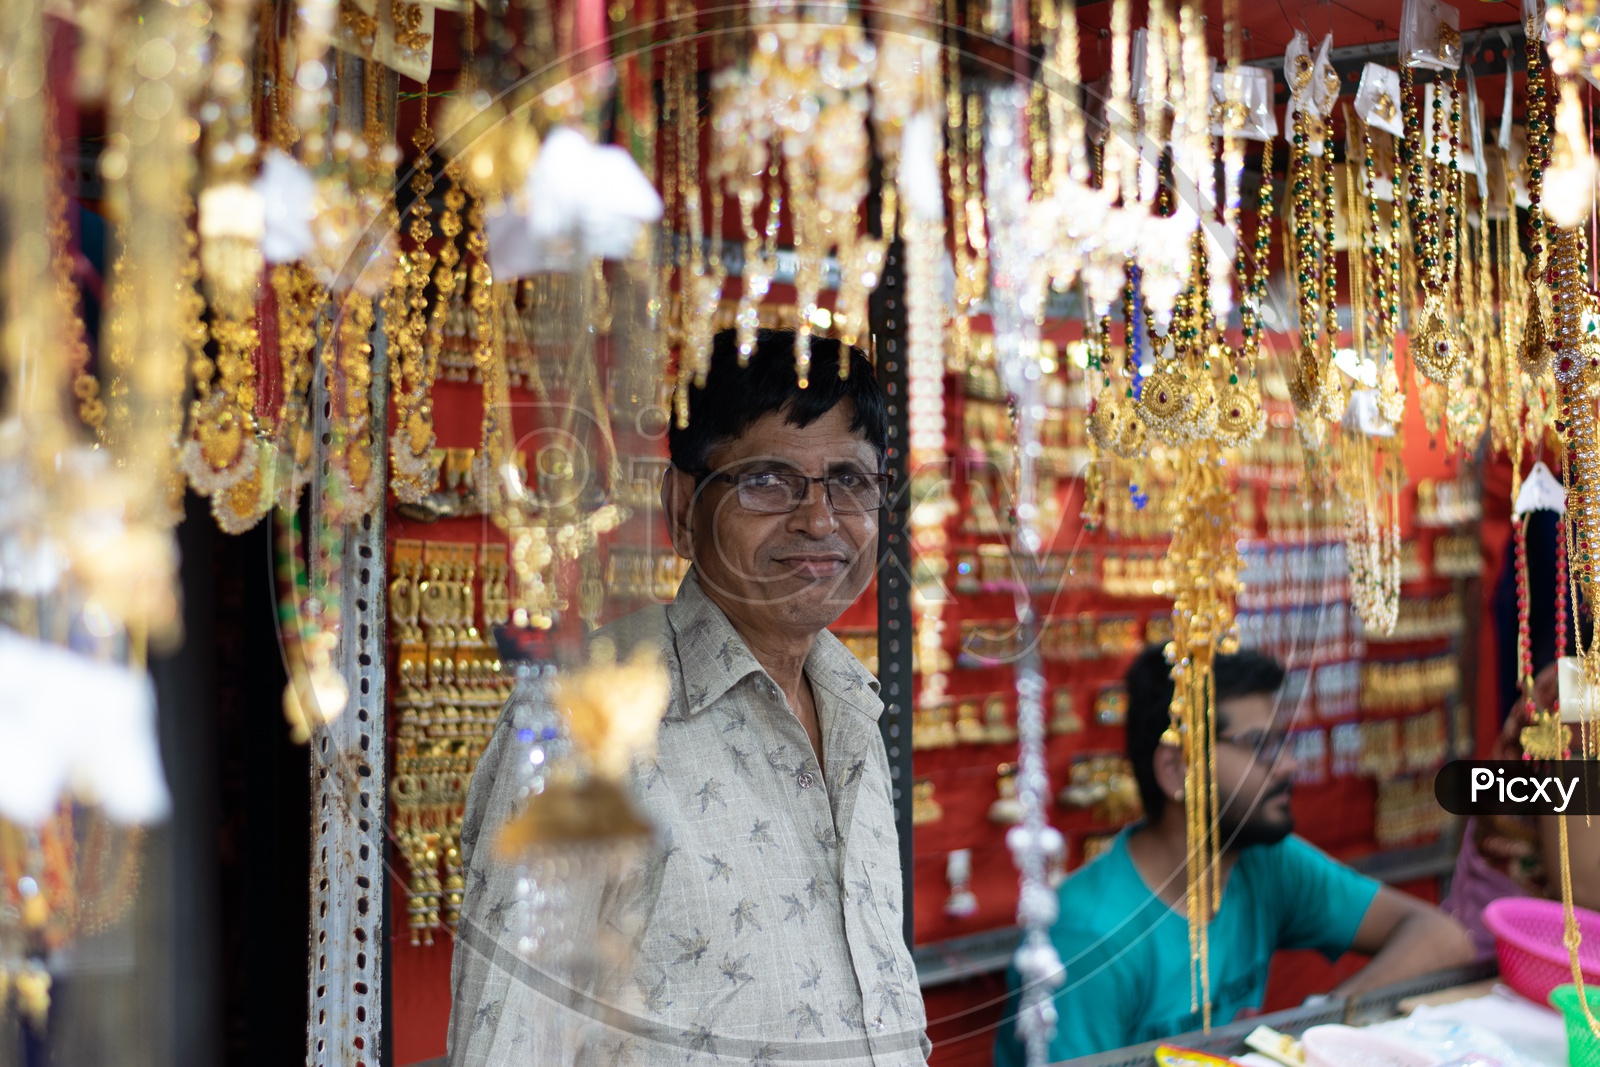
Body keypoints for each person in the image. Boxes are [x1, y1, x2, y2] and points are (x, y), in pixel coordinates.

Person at [449, 329, 929, 1066]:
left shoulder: (851, 707)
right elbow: (505, 1041)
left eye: (850, 481)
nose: (820, 519)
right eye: (768, 480)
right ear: (682, 506)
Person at [995, 644, 1473, 1063]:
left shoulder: (1264, 863)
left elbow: (1443, 939)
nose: (1288, 765)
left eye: (1281, 744)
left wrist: (1314, 1031)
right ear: (1175, 770)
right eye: (1257, 746)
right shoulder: (1089, 938)